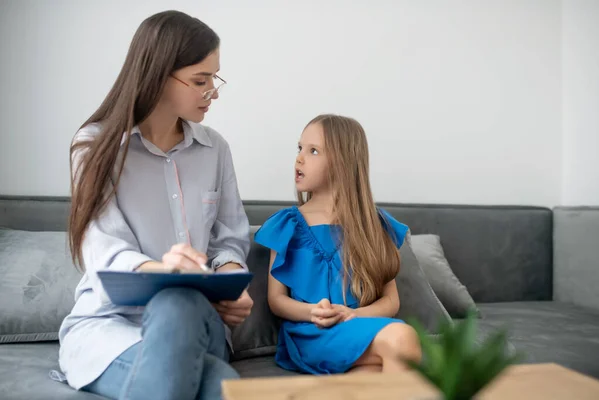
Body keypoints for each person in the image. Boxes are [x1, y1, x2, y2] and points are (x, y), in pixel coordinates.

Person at [57, 10, 253, 400]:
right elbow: (103, 250)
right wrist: (166, 269)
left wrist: (231, 278)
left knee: (179, 301)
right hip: (107, 330)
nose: (212, 90)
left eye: (215, 77)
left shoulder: (215, 150)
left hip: (199, 320)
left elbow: (228, 241)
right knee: (219, 387)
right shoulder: (94, 147)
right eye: (200, 80)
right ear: (158, 75)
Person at [254, 114, 422, 374]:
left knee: (374, 374)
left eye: (313, 151)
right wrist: (313, 312)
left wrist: (352, 315)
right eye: (300, 148)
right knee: (402, 338)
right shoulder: (286, 224)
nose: (299, 158)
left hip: (359, 326)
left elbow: (390, 301)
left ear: (343, 162)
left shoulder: (373, 224)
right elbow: (277, 300)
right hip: (310, 332)